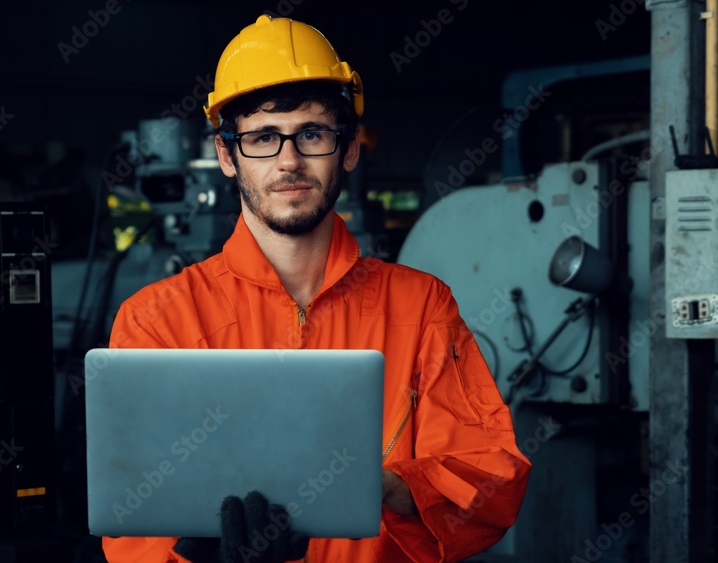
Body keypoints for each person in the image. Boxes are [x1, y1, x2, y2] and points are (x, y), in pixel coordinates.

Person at [101, 14, 531, 563]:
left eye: (312, 133)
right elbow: (130, 528)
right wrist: (196, 551)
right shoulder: (157, 320)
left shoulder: (421, 307)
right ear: (228, 156)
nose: (288, 160)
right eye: (262, 137)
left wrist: (388, 488)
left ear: (348, 150)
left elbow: (492, 478)